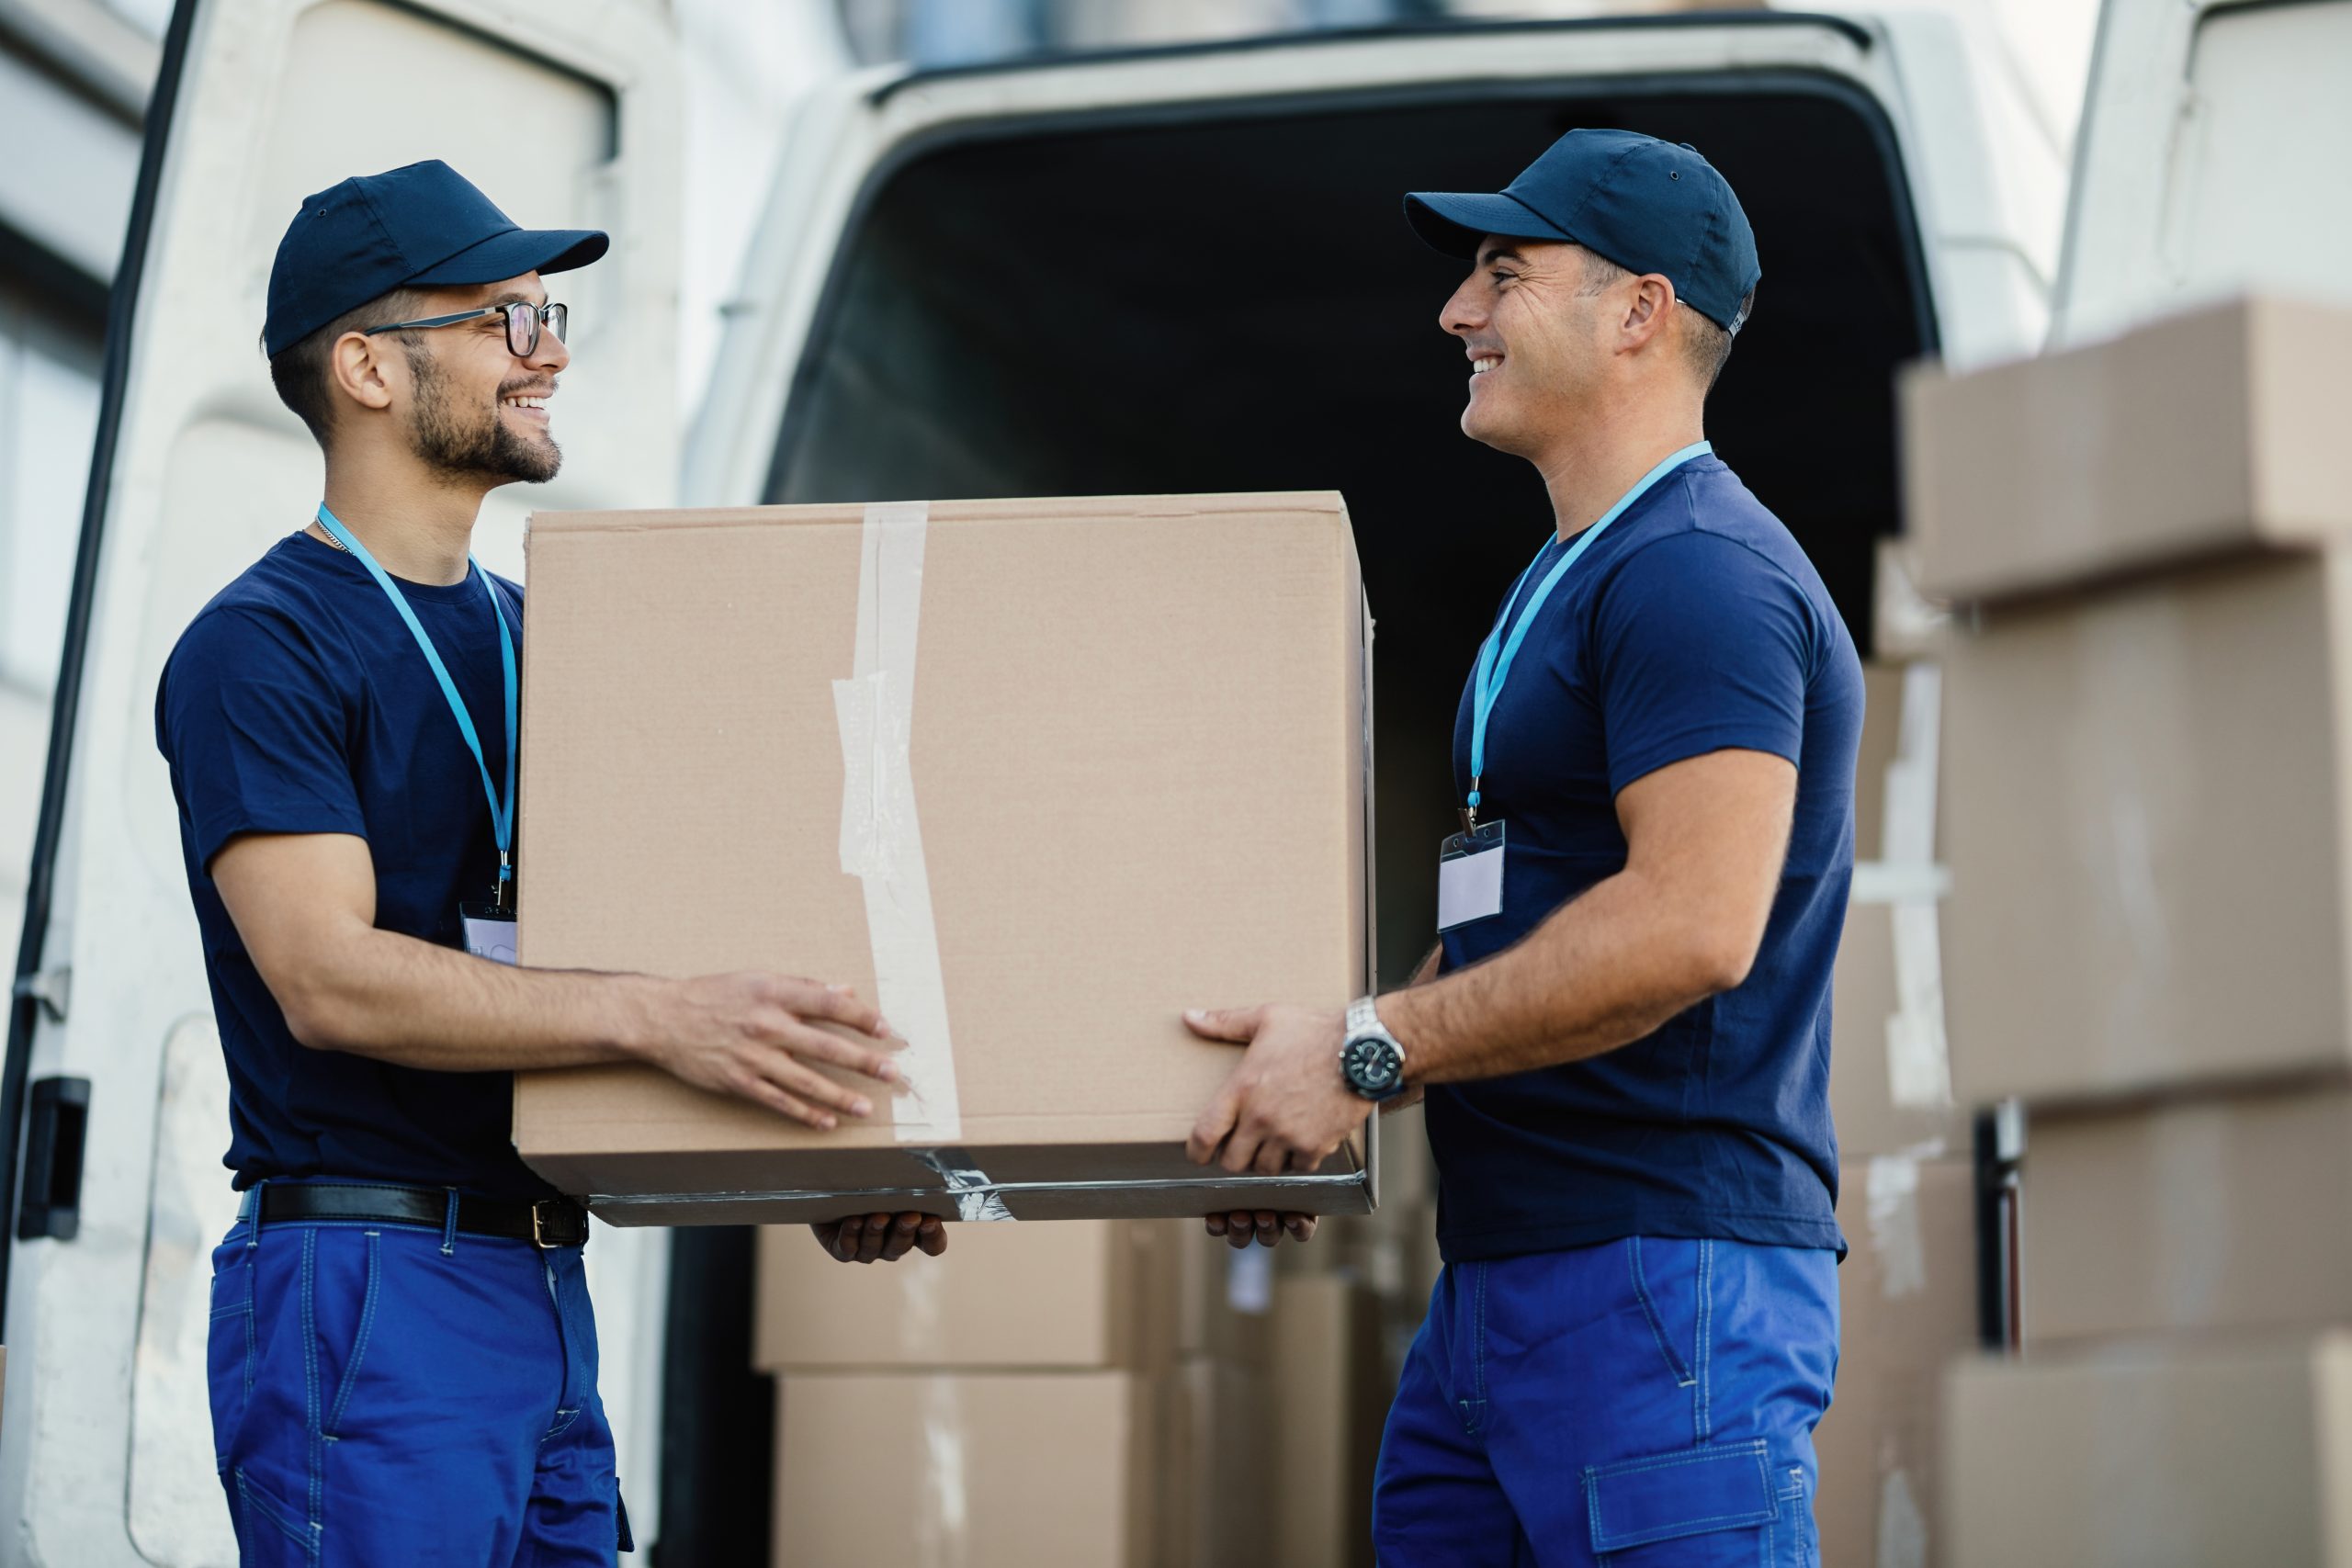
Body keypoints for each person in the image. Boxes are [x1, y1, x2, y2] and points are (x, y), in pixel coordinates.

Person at [157, 161, 942, 1567]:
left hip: (539, 1277)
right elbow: (330, 980)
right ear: (366, 368)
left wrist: (808, 1161)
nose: (553, 353)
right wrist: (667, 1017)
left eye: (551, 314)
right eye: (506, 321)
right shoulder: (262, 645)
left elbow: (651, 953)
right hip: (370, 1284)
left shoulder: (555, 635)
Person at [1183, 129, 1861, 1563]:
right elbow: (1532, 917)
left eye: (1505, 274)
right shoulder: (1578, 570)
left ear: (1639, 313)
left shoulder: (1700, 577)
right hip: (1506, 1285)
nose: (1458, 315)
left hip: (1659, 1288)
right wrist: (1341, 1086)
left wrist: (1368, 1049)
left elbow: (1690, 926)